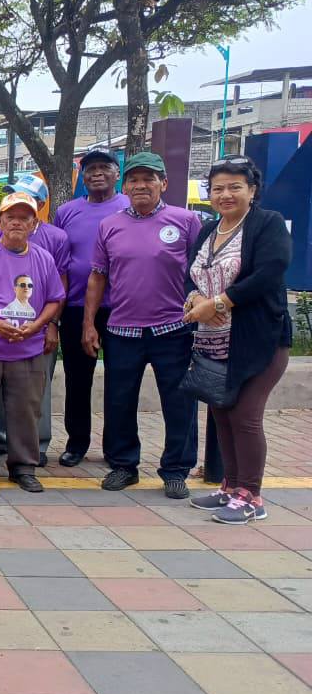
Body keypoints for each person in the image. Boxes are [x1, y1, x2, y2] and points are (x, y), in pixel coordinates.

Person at [84, 151, 201, 498]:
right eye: (133, 180)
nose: (140, 186)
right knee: (119, 402)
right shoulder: (110, 225)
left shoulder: (186, 221)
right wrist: (89, 324)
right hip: (123, 331)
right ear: (125, 186)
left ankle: (176, 470)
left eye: (148, 179)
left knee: (179, 403)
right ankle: (124, 465)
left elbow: (200, 272)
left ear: (163, 183)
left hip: (173, 330)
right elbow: (97, 276)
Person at [183, 156, 292, 523]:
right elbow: (190, 275)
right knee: (222, 413)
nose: (225, 195)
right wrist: (195, 301)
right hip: (214, 340)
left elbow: (270, 271)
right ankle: (230, 487)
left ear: (252, 190)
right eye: (218, 188)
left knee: (245, 415)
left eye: (235, 187)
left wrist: (219, 302)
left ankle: (251, 496)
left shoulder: (267, 223)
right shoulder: (208, 230)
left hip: (259, 339)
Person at [0, 192, 65, 493]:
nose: (17, 222)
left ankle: (23, 468)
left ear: (33, 224)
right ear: (1, 222)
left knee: (26, 413)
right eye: (10, 217)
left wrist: (37, 326)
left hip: (27, 353)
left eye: (24, 218)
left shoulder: (43, 258)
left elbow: (55, 299)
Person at [0, 175, 70, 465]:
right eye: (12, 198)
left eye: (26, 201)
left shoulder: (56, 238)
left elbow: (60, 285)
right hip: (0, 329)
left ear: (40, 206)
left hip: (38, 329)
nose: (17, 215)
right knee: (0, 390)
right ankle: (1, 442)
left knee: (37, 391)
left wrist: (52, 325)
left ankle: (38, 444)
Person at [54, 150, 129, 466]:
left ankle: (116, 447)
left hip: (121, 308)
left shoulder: (129, 207)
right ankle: (76, 443)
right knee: (77, 379)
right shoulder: (66, 212)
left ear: (116, 174)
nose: (97, 173)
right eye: (90, 169)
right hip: (75, 307)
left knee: (120, 380)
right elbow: (59, 261)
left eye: (104, 167)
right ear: (82, 177)